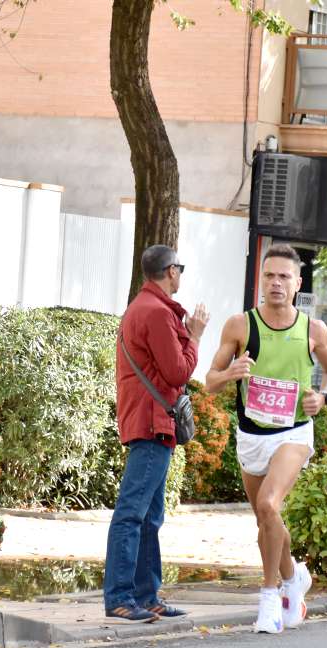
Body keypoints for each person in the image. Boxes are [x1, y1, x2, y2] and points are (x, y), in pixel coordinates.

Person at [205, 244, 327, 634]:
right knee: (265, 517)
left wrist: (323, 396)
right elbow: (209, 382)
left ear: (298, 283)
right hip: (251, 434)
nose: (276, 283)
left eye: (284, 276)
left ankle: (270, 598)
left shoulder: (313, 329)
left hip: (294, 432)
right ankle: (295, 575)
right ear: (260, 281)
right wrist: (232, 372)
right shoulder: (240, 326)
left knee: (268, 503)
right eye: (269, 276)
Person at [104, 245, 208, 622]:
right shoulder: (157, 313)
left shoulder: (144, 308)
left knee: (149, 516)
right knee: (133, 514)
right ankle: (120, 597)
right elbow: (178, 372)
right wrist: (195, 336)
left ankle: (147, 596)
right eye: (179, 267)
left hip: (149, 421)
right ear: (170, 272)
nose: (180, 274)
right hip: (152, 423)